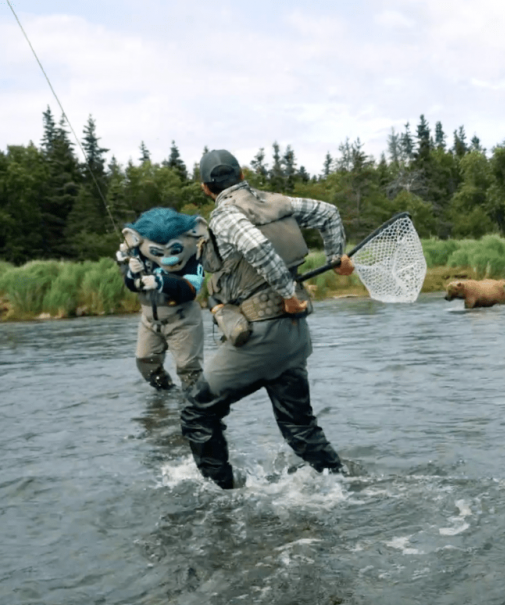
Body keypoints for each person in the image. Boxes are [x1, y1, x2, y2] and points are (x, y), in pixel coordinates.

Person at [180, 149, 355, 489]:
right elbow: (329, 213)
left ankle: (222, 495)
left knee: (197, 411)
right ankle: (341, 484)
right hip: (294, 334)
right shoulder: (279, 202)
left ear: (205, 188)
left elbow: (258, 247)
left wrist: (287, 292)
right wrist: (336, 256)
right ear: (242, 174)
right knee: (299, 426)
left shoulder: (225, 215)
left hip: (260, 336)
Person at [116, 207, 206, 391]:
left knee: (188, 369)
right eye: (158, 252)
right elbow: (133, 286)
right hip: (149, 322)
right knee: (145, 361)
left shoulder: (193, 259)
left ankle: (196, 401)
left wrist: (161, 282)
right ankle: (166, 394)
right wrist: (131, 272)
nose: (167, 259)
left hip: (183, 320)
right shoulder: (141, 256)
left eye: (174, 250)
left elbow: (189, 291)